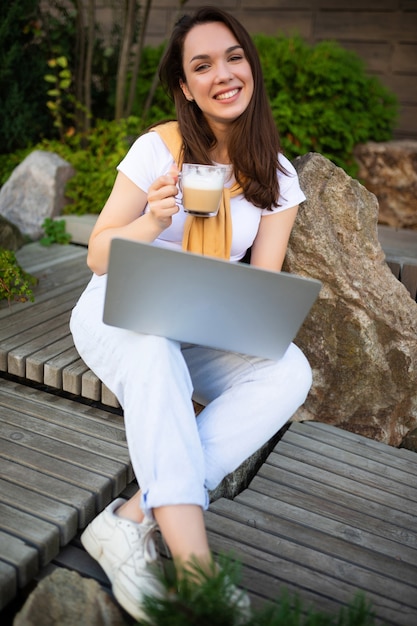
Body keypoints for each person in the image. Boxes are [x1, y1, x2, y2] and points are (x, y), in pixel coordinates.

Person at [70, 6, 312, 622]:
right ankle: (199, 570)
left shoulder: (277, 174)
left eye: (233, 57)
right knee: (153, 348)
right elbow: (99, 256)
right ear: (185, 86)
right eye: (201, 65)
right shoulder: (159, 147)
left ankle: (131, 518)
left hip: (201, 321)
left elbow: (259, 286)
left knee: (290, 370)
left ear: (250, 66)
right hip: (120, 308)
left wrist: (251, 302)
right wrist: (152, 220)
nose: (222, 74)